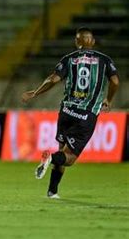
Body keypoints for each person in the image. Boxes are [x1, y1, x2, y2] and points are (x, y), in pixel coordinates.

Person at [22, 27, 119, 198]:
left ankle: (52, 192)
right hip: (86, 115)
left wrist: (36, 92)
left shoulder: (69, 59)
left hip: (66, 111)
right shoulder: (105, 60)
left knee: (62, 151)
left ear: (77, 42)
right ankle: (50, 159)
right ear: (93, 41)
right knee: (69, 158)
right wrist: (108, 99)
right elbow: (115, 82)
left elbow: (54, 79)